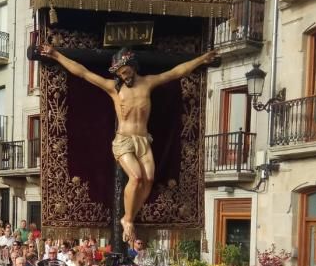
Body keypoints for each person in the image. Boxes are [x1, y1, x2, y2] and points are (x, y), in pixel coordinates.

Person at [39, 43, 217, 241]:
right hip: (123, 141)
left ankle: (128, 216)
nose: (125, 76)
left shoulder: (148, 83)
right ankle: (128, 220)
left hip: (143, 139)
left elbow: (175, 73)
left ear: (133, 67)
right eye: (121, 73)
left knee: (149, 178)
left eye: (127, 71)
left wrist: (201, 59)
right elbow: (83, 73)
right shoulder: (114, 89)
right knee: (137, 177)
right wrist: (56, 55)